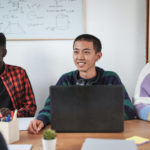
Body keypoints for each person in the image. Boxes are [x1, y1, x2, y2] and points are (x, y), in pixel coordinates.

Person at [28, 34, 136, 134]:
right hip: (72, 134)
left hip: (104, 132)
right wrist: (41, 119)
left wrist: (91, 117)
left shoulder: (110, 78)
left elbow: (128, 110)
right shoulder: (66, 79)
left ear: (98, 56)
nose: (80, 57)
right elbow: (50, 106)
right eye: (76, 51)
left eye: (86, 52)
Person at [0, 33, 36, 117]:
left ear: (3, 53)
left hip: (14, 125)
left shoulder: (19, 73)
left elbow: (31, 108)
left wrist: (10, 114)